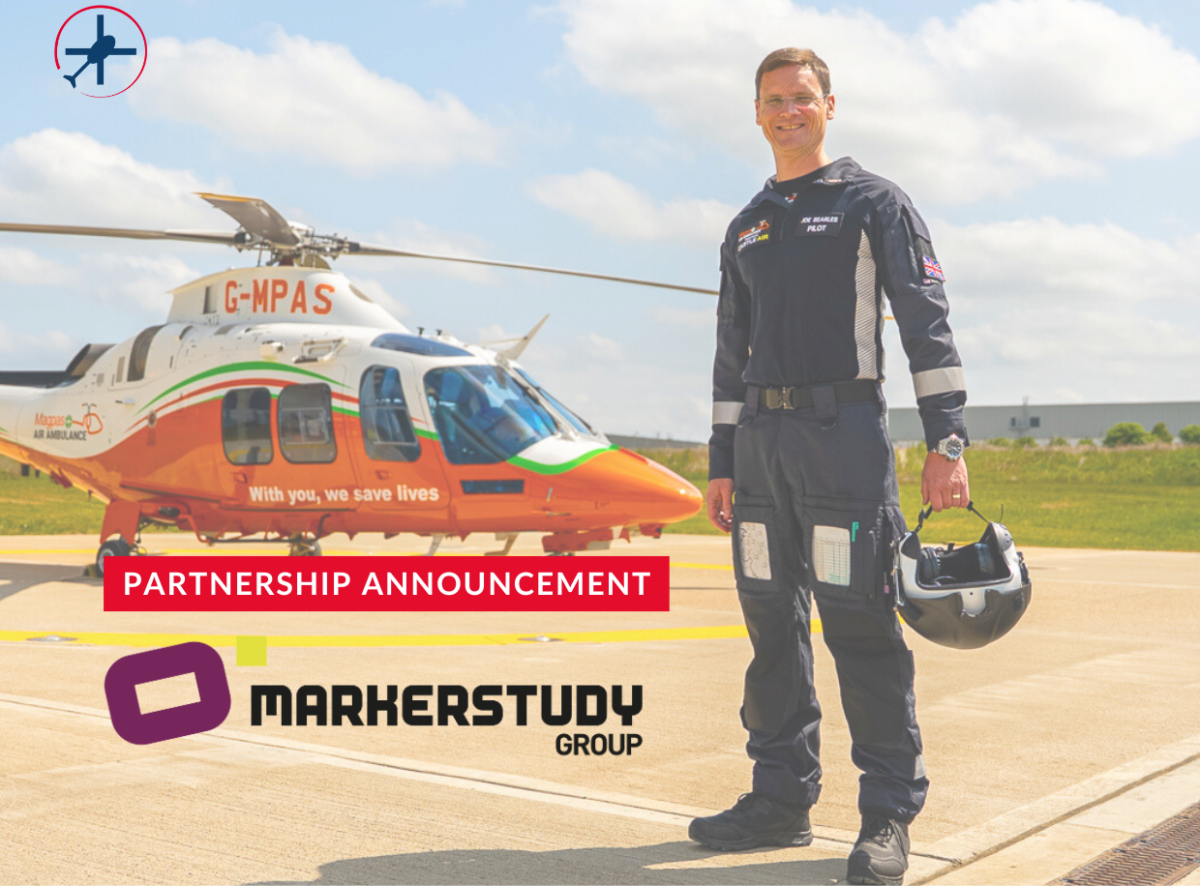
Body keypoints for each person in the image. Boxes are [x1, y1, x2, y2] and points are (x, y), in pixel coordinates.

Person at [690, 48, 970, 886]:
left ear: (829, 105)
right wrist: (721, 461)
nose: (788, 112)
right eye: (773, 101)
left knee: (858, 627)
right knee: (771, 627)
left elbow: (928, 325)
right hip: (762, 456)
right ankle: (779, 796)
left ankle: (886, 814)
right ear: (756, 113)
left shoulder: (872, 203)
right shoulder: (746, 223)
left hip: (841, 437)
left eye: (801, 98)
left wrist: (946, 442)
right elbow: (727, 355)